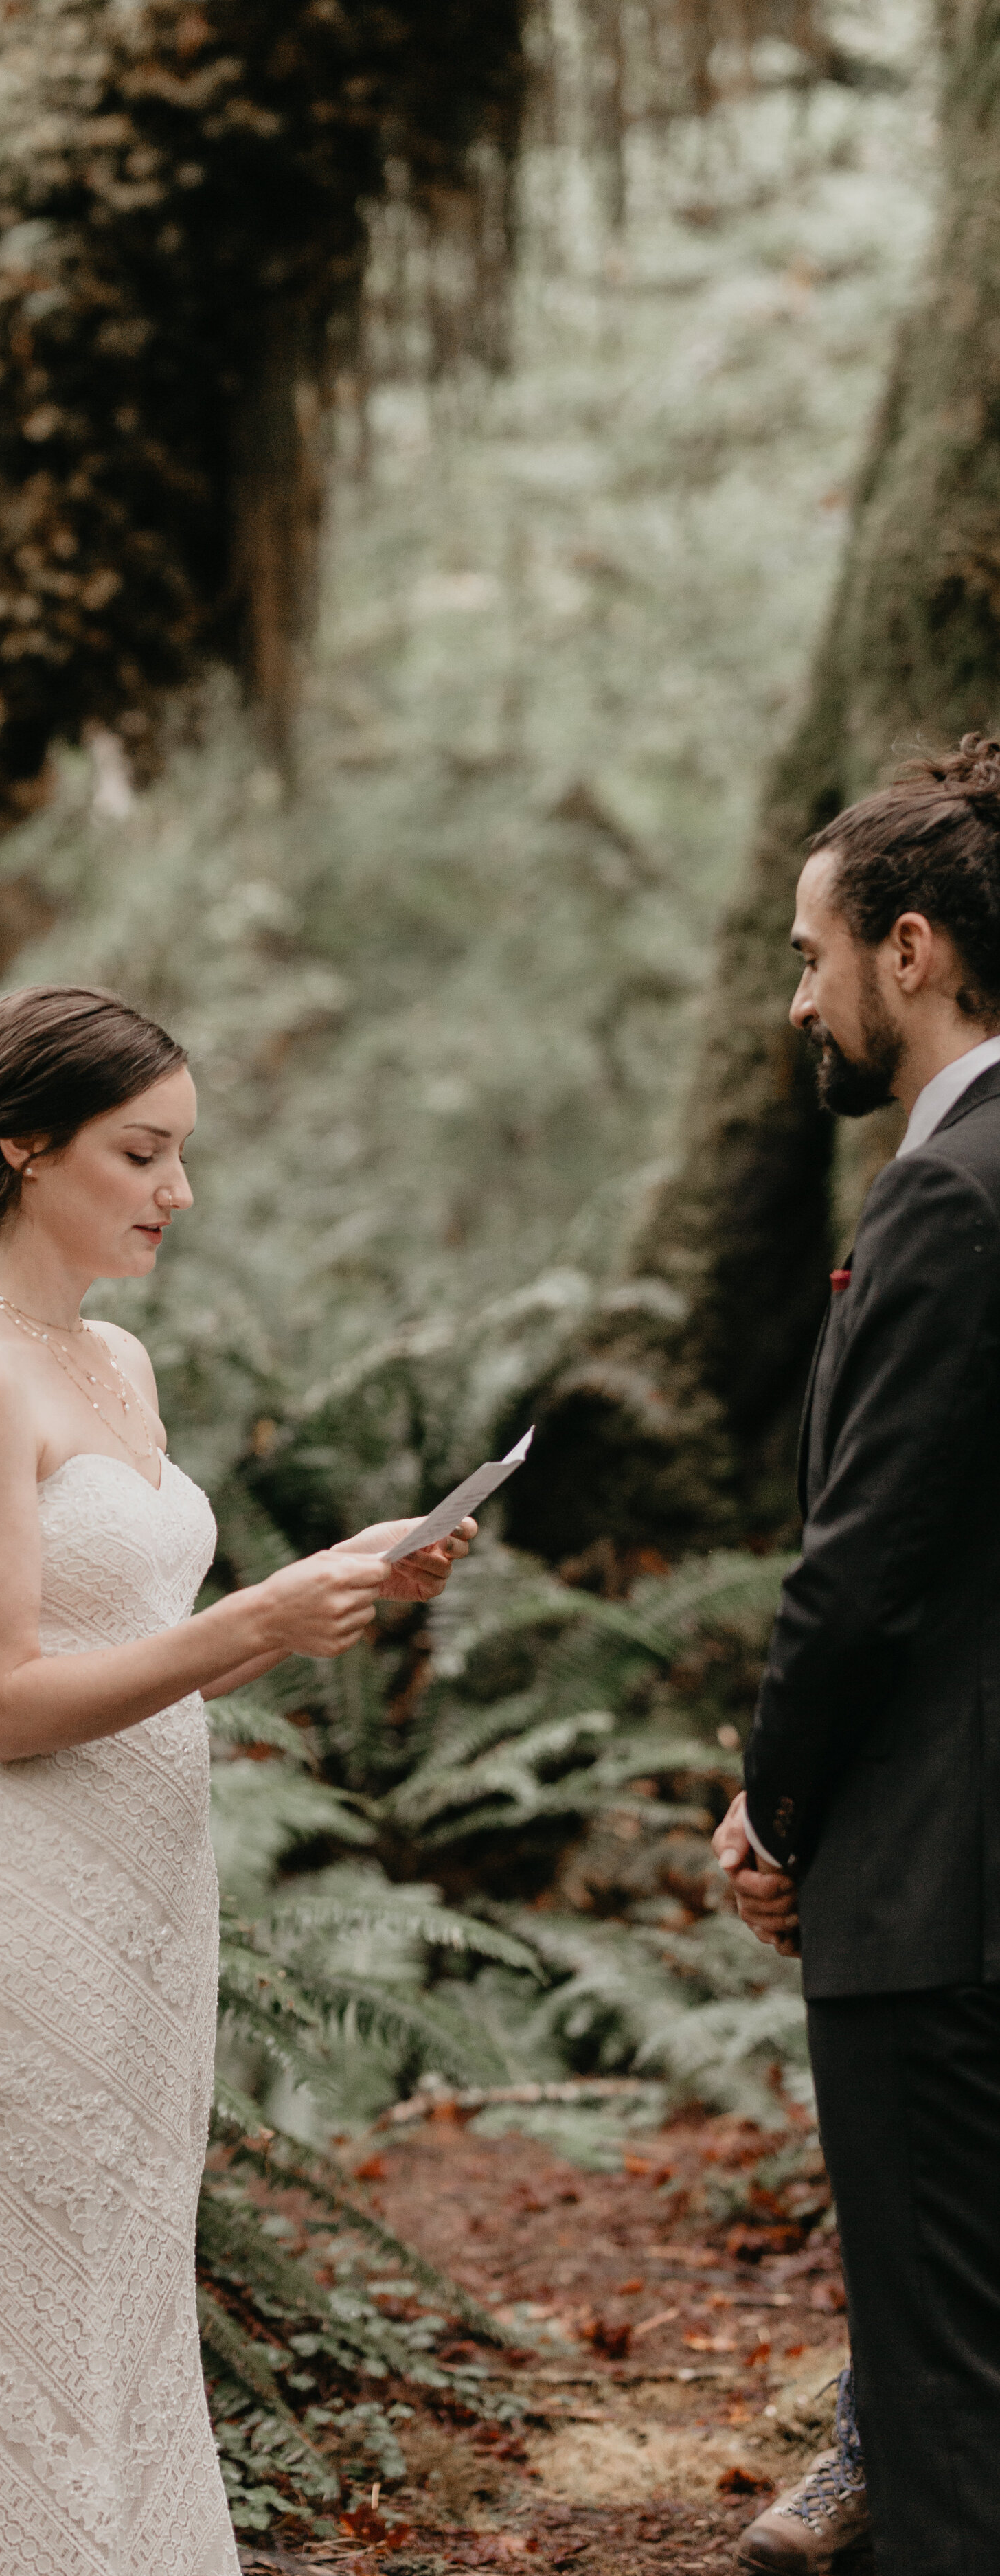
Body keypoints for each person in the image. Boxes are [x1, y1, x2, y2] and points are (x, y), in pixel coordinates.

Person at [0, 984, 472, 2576]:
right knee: (18, 2316)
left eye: (181, 1154)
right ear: (26, 1148)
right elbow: (7, 1705)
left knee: (121, 2294)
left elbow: (146, 1649)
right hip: (13, 1901)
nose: (176, 1191)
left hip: (147, 1900)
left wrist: (325, 1593)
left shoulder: (115, 1358)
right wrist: (250, 1615)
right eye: (141, 1152)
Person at [712, 736, 1000, 2576]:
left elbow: (862, 1571)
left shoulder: (948, 1191)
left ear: (909, 949)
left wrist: (768, 1802)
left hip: (941, 1880)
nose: (792, 994)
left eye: (809, 953)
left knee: (944, 2408)